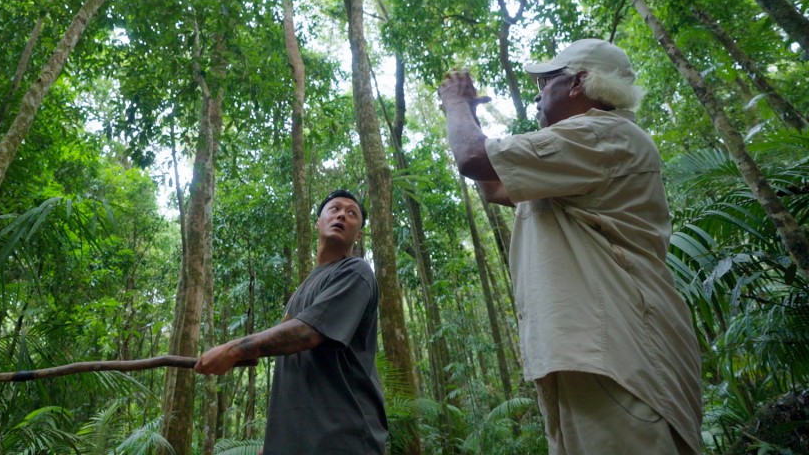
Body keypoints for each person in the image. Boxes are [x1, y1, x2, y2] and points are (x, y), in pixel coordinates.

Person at [438, 39, 702, 455]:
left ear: (578, 83)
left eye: (546, 82)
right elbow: (493, 187)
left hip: (616, 353)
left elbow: (473, 158)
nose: (538, 93)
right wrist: (467, 109)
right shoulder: (580, 154)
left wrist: (454, 102)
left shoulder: (603, 133)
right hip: (592, 353)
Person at [194, 189, 388, 454]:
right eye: (334, 209)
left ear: (359, 234)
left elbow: (308, 333)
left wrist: (233, 349)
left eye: (352, 213)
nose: (342, 214)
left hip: (344, 437)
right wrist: (276, 442)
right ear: (318, 222)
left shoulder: (356, 272)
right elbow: (298, 370)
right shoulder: (301, 292)